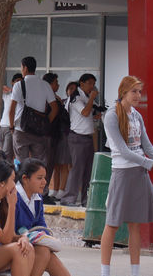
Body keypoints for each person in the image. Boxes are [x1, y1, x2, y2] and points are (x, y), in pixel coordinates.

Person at [98, 76, 153, 276]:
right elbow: (122, 151)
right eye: (134, 91)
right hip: (122, 173)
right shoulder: (112, 115)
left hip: (140, 173)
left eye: (140, 92)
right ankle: (105, 275)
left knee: (135, 225)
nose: (138, 96)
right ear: (123, 92)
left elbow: (147, 145)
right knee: (112, 223)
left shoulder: (137, 116)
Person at [15, 159, 93, 276]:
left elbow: (42, 225)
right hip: (16, 244)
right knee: (44, 252)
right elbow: (12, 228)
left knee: (47, 253)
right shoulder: (15, 197)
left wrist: (43, 237)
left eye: (45, 177)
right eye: (39, 178)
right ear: (25, 178)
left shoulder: (37, 199)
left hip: (30, 244)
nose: (44, 182)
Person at [8, 56, 59, 165]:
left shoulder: (19, 85)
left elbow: (11, 110)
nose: (21, 70)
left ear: (25, 68)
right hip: (38, 131)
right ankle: (37, 181)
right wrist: (45, 123)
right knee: (38, 164)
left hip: (21, 129)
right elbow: (55, 108)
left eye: (21, 67)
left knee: (21, 164)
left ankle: (23, 181)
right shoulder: (45, 85)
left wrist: (11, 127)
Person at [60, 73, 99, 207]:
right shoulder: (76, 97)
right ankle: (68, 199)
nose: (92, 87)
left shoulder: (87, 97)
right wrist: (92, 98)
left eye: (93, 84)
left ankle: (85, 200)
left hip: (88, 137)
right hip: (77, 137)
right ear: (81, 84)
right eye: (89, 83)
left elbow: (93, 113)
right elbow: (85, 112)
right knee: (77, 169)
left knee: (88, 171)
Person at [43, 72, 70, 202]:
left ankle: (58, 190)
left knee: (59, 163)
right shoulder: (48, 99)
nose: (58, 85)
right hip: (53, 134)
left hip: (59, 134)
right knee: (53, 163)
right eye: (55, 83)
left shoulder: (55, 98)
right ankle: (50, 190)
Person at [0, 73, 23, 162]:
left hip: (11, 127)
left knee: (6, 155)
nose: (18, 84)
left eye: (21, 82)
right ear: (12, 83)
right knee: (2, 153)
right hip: (2, 126)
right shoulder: (8, 95)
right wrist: (9, 89)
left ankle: (7, 174)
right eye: (17, 82)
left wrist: (12, 127)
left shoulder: (22, 97)